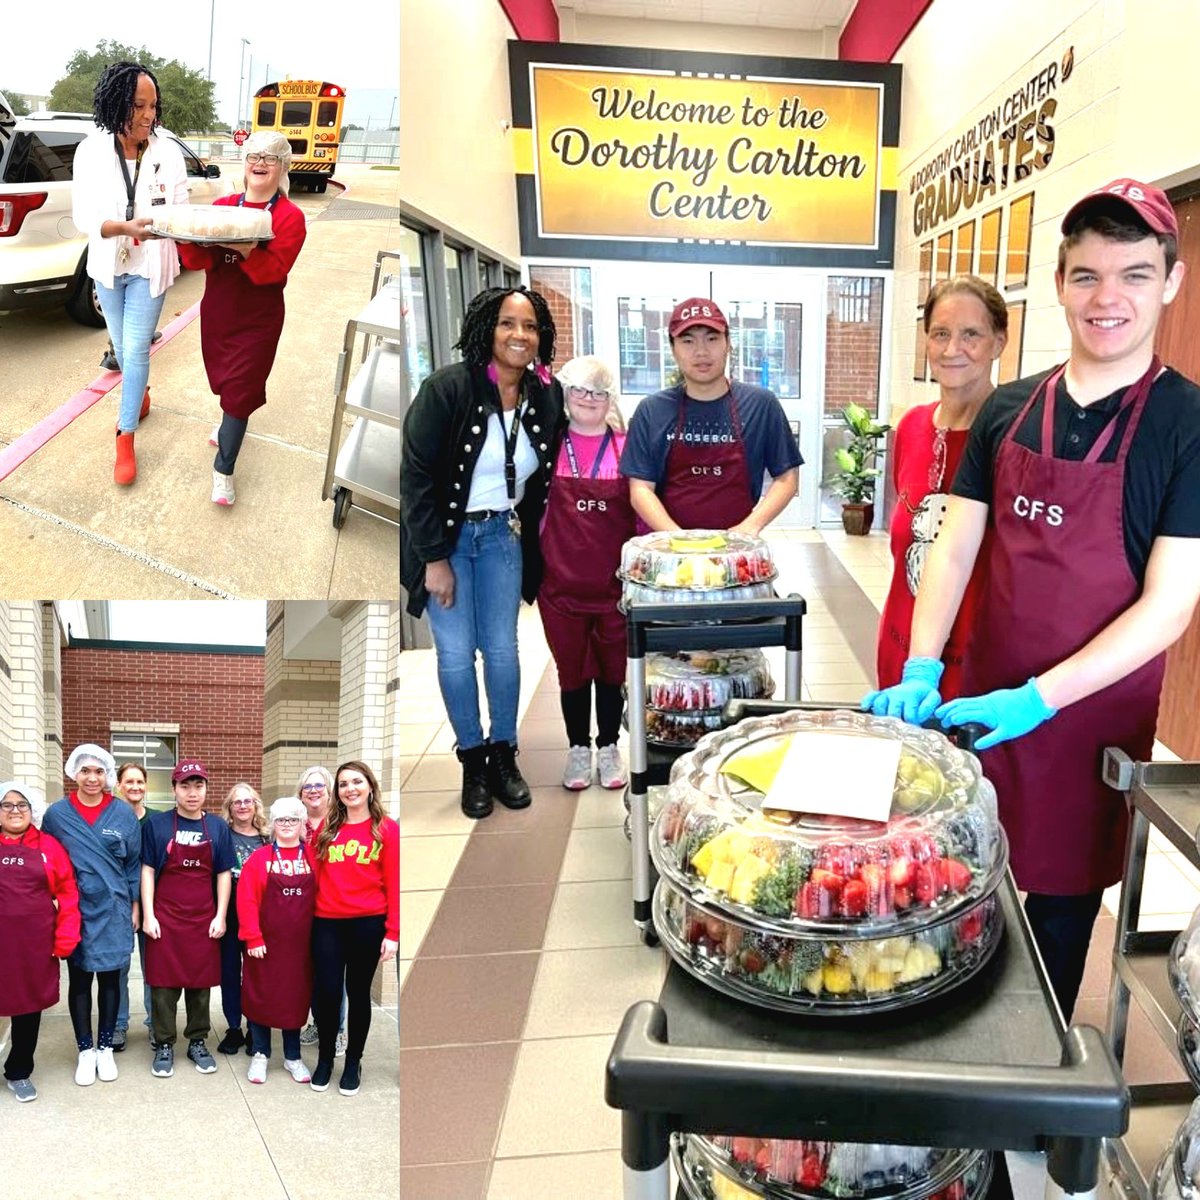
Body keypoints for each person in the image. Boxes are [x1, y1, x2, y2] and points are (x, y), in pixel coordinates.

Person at [863, 178, 1200, 1019]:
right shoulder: (1009, 410)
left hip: (1088, 723)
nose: (1108, 296)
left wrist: (1042, 699)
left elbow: (1168, 605)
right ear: (1058, 284)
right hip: (983, 700)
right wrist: (922, 661)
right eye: (1086, 275)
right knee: (953, 887)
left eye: (1132, 272)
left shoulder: (1186, 425)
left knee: (1054, 920)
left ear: (1171, 281)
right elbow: (956, 544)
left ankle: (1023, 1090)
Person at [401, 286, 564, 819]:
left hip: (502, 537)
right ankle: (472, 758)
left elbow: (557, 458)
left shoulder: (545, 394)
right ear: (485, 329)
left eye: (530, 326)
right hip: (448, 542)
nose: (520, 335)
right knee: (454, 654)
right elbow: (417, 480)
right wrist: (433, 558)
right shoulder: (446, 389)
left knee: (501, 650)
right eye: (507, 324)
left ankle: (503, 753)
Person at [876, 277, 1008, 696]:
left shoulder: (1014, 436)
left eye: (971, 334)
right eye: (941, 334)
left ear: (999, 342)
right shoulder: (913, 426)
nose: (953, 350)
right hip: (901, 654)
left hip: (978, 667)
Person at [71, 60, 188, 485]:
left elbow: (179, 207)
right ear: (116, 102)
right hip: (108, 264)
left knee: (135, 351)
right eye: (139, 105)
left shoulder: (168, 152)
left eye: (153, 106)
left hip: (149, 266)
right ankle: (140, 397)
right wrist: (123, 227)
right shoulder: (90, 151)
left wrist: (164, 226)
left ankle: (125, 435)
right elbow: (84, 216)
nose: (148, 115)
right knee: (122, 351)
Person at [176, 131, 307, 507]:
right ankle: (226, 423)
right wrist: (181, 237)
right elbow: (200, 261)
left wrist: (247, 249)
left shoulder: (290, 217)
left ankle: (224, 471)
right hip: (218, 311)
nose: (260, 163)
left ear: (282, 166)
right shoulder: (223, 205)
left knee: (240, 394)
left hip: (259, 319)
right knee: (223, 382)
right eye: (253, 156)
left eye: (269, 157)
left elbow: (275, 272)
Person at [620, 297, 802, 534]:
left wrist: (750, 527)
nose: (701, 351)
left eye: (712, 338)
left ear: (728, 344)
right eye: (687, 341)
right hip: (672, 547)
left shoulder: (761, 405)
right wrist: (679, 539)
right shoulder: (652, 410)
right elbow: (641, 488)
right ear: (673, 349)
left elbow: (787, 479)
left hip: (738, 547)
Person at [538, 355, 635, 791]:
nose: (588, 399)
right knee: (572, 670)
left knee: (613, 670)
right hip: (559, 586)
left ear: (610, 397)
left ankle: (610, 746)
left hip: (615, 588)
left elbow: (643, 514)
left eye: (598, 392)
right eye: (579, 389)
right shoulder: (547, 446)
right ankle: (579, 750)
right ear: (564, 392)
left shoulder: (627, 446)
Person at [41, 745, 141, 1087]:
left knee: (112, 979)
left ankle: (105, 1048)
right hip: (75, 909)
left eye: (99, 771)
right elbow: (48, 861)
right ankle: (85, 1050)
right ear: (74, 773)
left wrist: (135, 906)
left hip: (114, 909)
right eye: (85, 771)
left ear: (107, 775)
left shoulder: (123, 815)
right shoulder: (57, 815)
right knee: (80, 979)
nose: (92, 778)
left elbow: (133, 866)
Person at [140, 759, 234, 1078]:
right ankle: (164, 1043)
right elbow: (148, 871)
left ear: (206, 788)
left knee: (200, 985)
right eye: (185, 786)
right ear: (174, 790)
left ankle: (197, 1041)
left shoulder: (218, 827)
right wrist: (149, 914)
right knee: (163, 986)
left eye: (198, 785)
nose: (192, 793)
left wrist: (221, 915)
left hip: (203, 918)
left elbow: (223, 874)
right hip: (165, 917)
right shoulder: (158, 825)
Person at [310, 761, 398, 1095]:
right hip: (327, 922)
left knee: (358, 994)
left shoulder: (386, 829)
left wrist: (393, 933)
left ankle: (353, 1062)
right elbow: (315, 878)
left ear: (370, 787)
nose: (350, 789)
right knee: (328, 993)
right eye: (343, 784)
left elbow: (393, 882)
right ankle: (325, 1060)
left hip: (368, 923)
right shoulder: (328, 830)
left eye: (356, 782)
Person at [0, 782, 81, 1103]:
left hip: (33, 945)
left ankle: (19, 1070)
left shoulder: (49, 847)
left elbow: (68, 894)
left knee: (27, 1007)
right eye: (7, 805)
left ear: (32, 811)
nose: (15, 811)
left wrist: (65, 939)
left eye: (22, 805)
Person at [237, 796, 317, 1085]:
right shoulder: (259, 860)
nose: (286, 825)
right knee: (261, 997)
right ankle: (260, 1054)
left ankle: (293, 1057)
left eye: (293, 819)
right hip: (264, 947)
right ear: (273, 823)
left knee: (294, 1000)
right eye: (281, 819)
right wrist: (253, 937)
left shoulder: (313, 858)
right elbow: (246, 900)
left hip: (301, 948)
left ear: (301, 823)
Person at [295, 764, 347, 1055]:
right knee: (311, 972)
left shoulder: (340, 824)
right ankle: (317, 1020)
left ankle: (337, 1028)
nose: (313, 791)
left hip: (333, 911)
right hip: (301, 912)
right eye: (307, 787)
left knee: (334, 974)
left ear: (329, 792)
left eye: (319, 786)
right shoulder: (293, 823)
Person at [216, 783, 268, 1055]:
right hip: (229, 913)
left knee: (255, 974)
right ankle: (234, 1027)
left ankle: (255, 1027)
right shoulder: (221, 835)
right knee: (229, 973)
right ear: (230, 807)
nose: (243, 806)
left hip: (259, 917)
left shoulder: (267, 839)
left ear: (256, 805)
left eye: (248, 801)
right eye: (237, 802)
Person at [113, 762, 153, 1051]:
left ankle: (155, 1023)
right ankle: (118, 1024)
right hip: (118, 905)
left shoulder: (156, 821)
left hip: (154, 905)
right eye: (129, 782)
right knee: (119, 968)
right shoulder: (111, 819)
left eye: (140, 781)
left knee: (153, 968)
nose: (135, 787)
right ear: (119, 785)